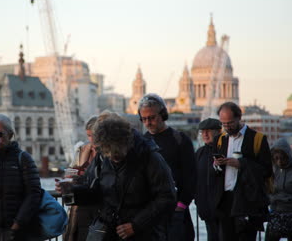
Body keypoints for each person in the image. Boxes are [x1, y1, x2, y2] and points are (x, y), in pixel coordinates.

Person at [59, 112, 176, 240]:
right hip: (109, 230)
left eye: (115, 153)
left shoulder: (150, 158)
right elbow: (95, 191)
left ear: (125, 143)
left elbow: (166, 197)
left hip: (143, 234)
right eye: (108, 154)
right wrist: (72, 192)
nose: (112, 158)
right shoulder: (103, 157)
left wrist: (136, 225)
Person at [137, 93, 196, 241]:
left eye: (152, 118)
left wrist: (181, 205)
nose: (148, 123)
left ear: (162, 115)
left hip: (176, 211)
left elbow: (191, 176)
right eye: (144, 119)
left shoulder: (180, 139)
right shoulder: (141, 142)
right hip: (151, 211)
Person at [213, 102, 272, 241]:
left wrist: (241, 164)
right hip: (225, 200)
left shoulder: (257, 139)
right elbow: (216, 172)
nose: (227, 127)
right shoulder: (220, 139)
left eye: (230, 123)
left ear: (239, 117)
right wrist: (216, 164)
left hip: (247, 201)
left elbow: (266, 170)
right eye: (223, 124)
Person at [64, 115, 100, 241]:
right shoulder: (82, 150)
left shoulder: (108, 152)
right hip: (80, 206)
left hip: (99, 207)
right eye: (89, 135)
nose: (91, 139)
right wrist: (72, 175)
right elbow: (69, 170)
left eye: (94, 135)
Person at [195, 118, 222, 241]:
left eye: (208, 131)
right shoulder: (200, 152)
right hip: (206, 209)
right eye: (203, 131)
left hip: (222, 210)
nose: (205, 134)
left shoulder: (224, 150)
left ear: (218, 131)